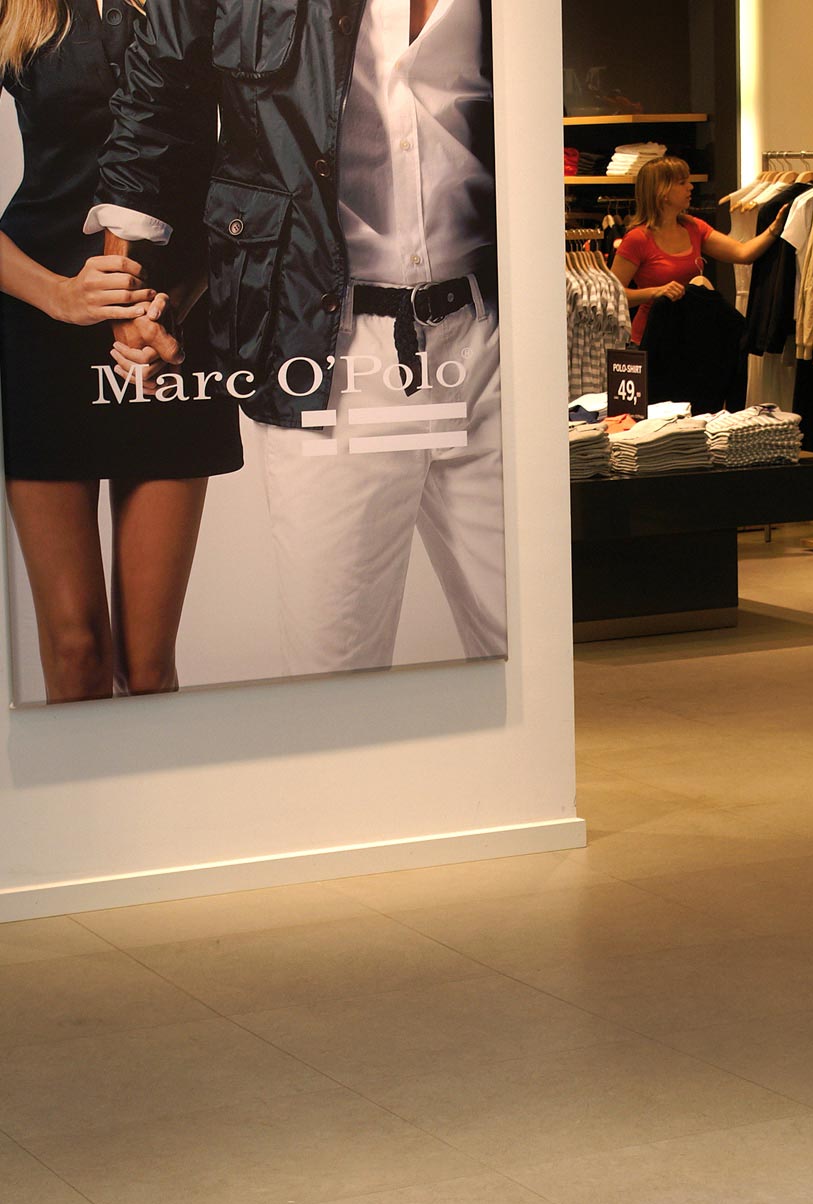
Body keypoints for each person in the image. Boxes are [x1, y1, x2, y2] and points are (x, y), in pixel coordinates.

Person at [93, 0, 507, 677]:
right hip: (325, 346)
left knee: (528, 647)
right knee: (334, 675)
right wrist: (126, 287)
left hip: (493, 338)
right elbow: (156, 99)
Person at [0, 0, 243, 705]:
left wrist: (172, 302)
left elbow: (251, 167)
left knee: (147, 667)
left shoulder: (201, 6)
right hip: (40, 326)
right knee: (76, 651)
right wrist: (58, 295)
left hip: (169, 327)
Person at [611, 155, 788, 345]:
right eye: (682, 183)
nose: (690, 187)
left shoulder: (693, 227)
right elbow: (613, 295)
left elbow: (742, 253)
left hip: (690, 336)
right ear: (662, 191)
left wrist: (775, 229)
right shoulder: (637, 239)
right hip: (650, 339)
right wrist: (655, 292)